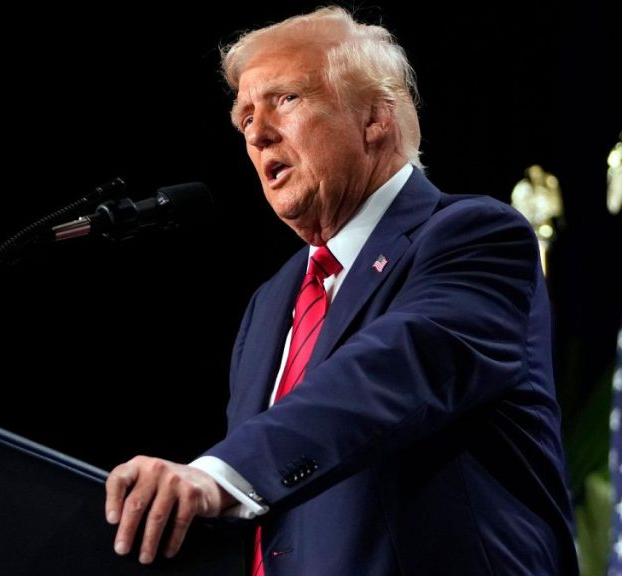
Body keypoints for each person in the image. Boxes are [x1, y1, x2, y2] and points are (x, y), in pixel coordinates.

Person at [104, 6, 578, 575]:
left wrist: (221, 474)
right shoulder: (272, 302)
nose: (256, 133)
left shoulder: (475, 236)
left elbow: (396, 367)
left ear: (376, 115)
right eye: (244, 118)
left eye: (285, 99)